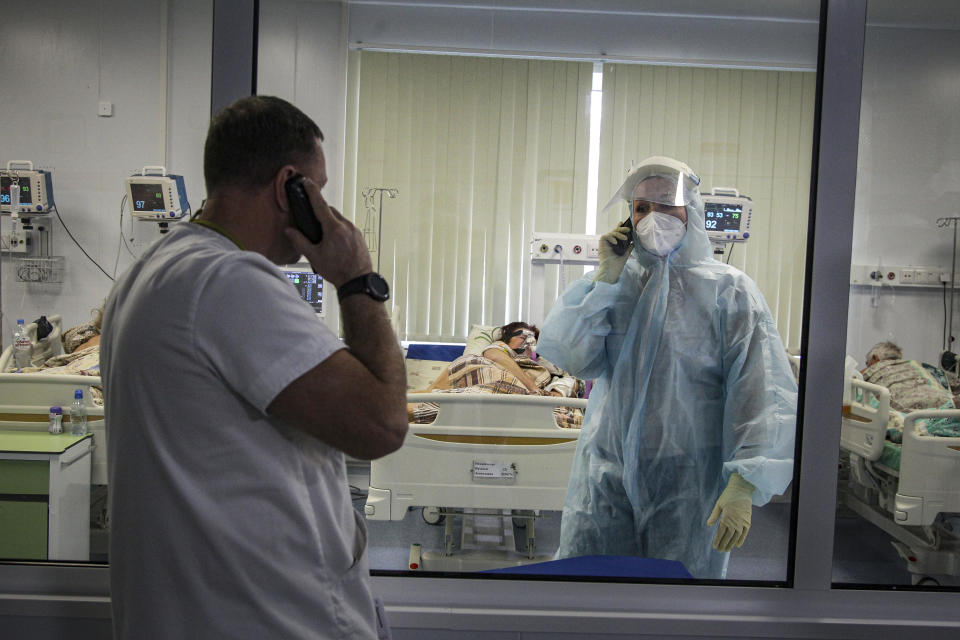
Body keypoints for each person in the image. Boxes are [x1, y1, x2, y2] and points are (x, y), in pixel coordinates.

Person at [100, 96, 407, 639]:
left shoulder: (149, 274)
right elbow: (382, 423)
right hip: (267, 619)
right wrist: (357, 280)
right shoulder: (229, 282)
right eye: (320, 189)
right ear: (291, 186)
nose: (328, 209)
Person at [536, 155, 796, 579]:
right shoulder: (614, 281)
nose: (653, 218)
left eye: (666, 205)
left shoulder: (730, 292)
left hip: (689, 478)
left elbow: (759, 389)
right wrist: (604, 276)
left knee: (678, 598)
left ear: (690, 210)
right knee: (591, 587)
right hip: (607, 469)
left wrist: (746, 480)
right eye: (641, 208)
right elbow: (571, 355)